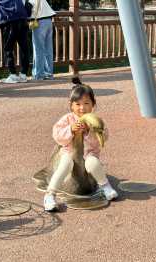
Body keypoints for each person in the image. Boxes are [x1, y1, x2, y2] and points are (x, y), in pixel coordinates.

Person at [44, 78, 118, 211]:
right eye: (77, 104)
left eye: (86, 103)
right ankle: (50, 194)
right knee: (65, 165)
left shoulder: (94, 120)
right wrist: (71, 130)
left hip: (89, 153)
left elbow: (104, 136)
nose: (82, 108)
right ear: (71, 105)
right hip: (69, 152)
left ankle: (105, 186)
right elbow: (57, 134)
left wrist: (89, 132)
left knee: (93, 164)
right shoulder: (67, 119)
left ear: (93, 104)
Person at [0, 0, 30, 83]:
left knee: (8, 49)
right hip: (22, 19)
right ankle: (23, 74)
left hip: (10, 21)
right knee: (24, 48)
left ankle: (13, 74)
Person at [28, 0, 56, 80]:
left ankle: (39, 74)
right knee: (48, 49)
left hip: (39, 23)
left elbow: (26, 11)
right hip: (49, 22)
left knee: (38, 50)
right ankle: (49, 74)